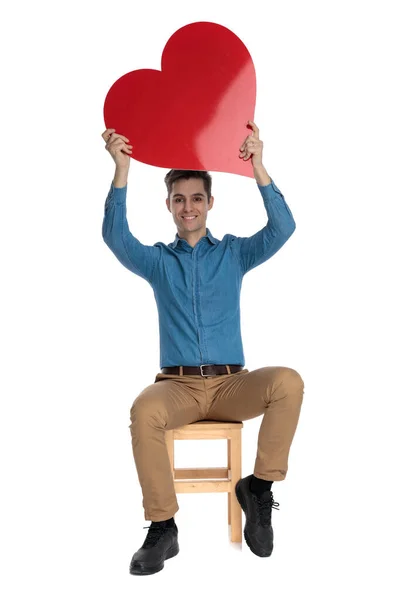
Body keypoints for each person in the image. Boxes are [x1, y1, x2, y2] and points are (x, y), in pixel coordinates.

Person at [101, 122, 304, 576]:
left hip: (233, 384)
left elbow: (284, 227)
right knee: (143, 411)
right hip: (179, 387)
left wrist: (258, 167)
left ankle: (258, 488)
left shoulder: (233, 253)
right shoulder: (157, 261)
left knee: (288, 381)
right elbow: (116, 238)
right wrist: (122, 171)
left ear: (210, 202)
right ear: (169, 205)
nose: (188, 207)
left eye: (196, 198)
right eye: (179, 199)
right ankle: (163, 527)